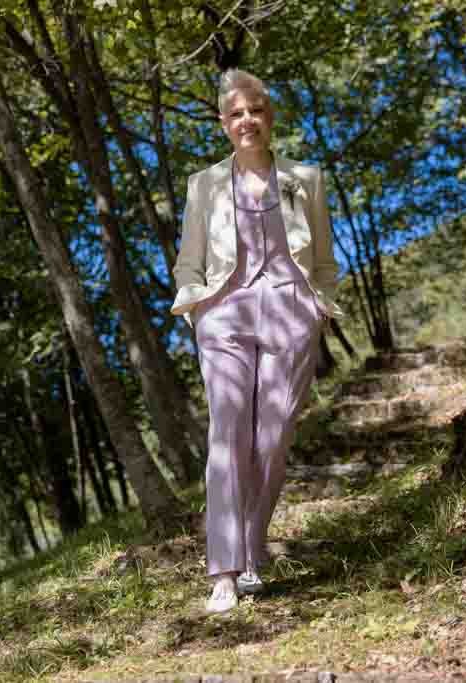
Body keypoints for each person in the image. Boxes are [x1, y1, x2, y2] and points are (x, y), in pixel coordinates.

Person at [171, 69, 342, 613]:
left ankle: (252, 545)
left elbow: (324, 259)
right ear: (223, 123)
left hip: (291, 312)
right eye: (236, 113)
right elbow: (189, 261)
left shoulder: (305, 179)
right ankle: (225, 571)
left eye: (256, 110)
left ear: (270, 116)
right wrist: (197, 311)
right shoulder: (204, 185)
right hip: (224, 315)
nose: (247, 120)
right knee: (228, 434)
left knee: (273, 436)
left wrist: (319, 306)